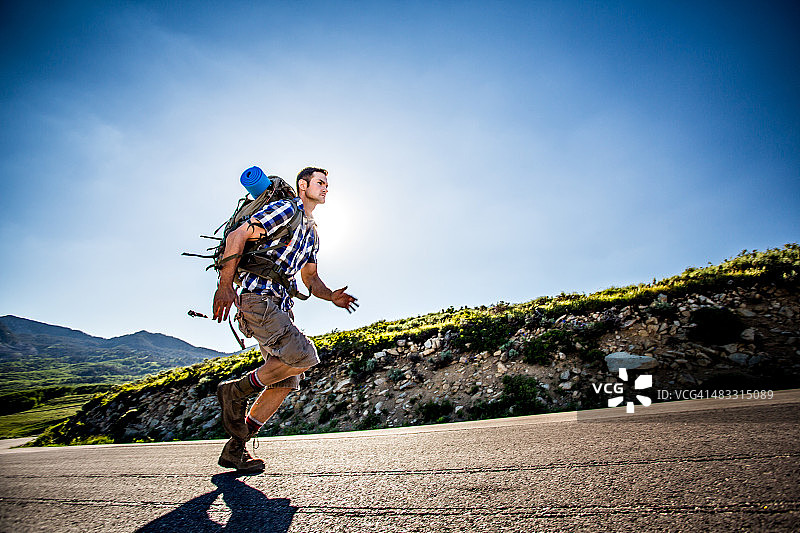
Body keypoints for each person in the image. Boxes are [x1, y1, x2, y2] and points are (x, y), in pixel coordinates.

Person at [212, 166, 358, 472]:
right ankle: (234, 391)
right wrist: (225, 285)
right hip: (258, 298)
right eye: (320, 183)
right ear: (303, 185)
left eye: (327, 184)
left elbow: (311, 279)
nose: (326, 188)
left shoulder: (312, 232)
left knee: (286, 380)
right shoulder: (286, 210)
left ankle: (235, 450)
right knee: (304, 356)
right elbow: (238, 235)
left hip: (279, 304)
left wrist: (331, 295)